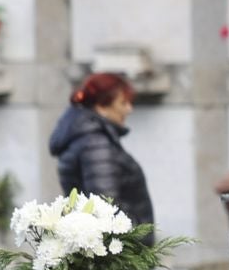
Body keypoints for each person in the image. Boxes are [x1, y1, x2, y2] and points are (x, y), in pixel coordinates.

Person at [49, 72, 154, 228]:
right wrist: (138, 234)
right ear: (101, 106)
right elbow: (105, 209)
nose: (129, 110)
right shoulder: (95, 144)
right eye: (123, 103)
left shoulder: (87, 137)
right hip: (119, 248)